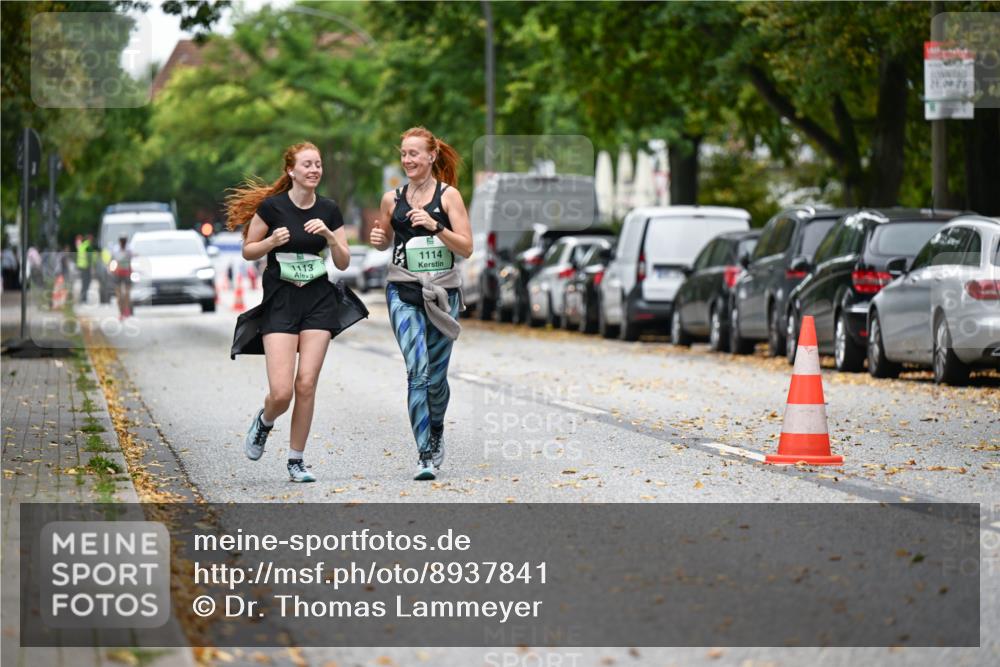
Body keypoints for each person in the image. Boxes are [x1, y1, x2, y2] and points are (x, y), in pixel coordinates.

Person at [226, 142, 368, 482]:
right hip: (281, 302)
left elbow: (343, 261)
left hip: (319, 301)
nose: (314, 169)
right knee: (282, 392)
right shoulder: (272, 208)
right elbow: (248, 250)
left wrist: (332, 240)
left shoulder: (330, 210)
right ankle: (265, 421)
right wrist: (272, 243)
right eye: (307, 164)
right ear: (291, 170)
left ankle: (296, 460)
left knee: (306, 384)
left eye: (318, 164)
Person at [369, 127, 473, 481]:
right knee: (418, 371)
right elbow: (384, 242)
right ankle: (424, 453)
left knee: (437, 380)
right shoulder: (391, 198)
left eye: (414, 154)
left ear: (431, 156)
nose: (407, 160)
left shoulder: (449, 197)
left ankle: (438, 428)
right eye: (403, 154)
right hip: (403, 289)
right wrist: (380, 238)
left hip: (443, 292)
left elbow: (466, 248)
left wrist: (435, 226)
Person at [110, 236, 133, 319]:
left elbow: (130, 261)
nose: (123, 243)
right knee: (119, 295)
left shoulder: (129, 249)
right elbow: (112, 261)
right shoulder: (116, 250)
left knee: (126, 293)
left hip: (126, 273)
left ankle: (125, 309)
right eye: (122, 241)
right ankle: (121, 312)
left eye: (124, 242)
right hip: (118, 274)